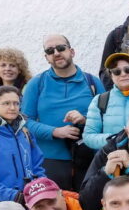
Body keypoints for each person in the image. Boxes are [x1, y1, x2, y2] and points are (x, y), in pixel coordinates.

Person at [21, 34, 103, 190]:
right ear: (46, 57)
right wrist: (55, 132)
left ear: (72, 51)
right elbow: (25, 122)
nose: (56, 53)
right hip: (50, 160)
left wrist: (86, 120)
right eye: (50, 51)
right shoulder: (36, 84)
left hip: (89, 158)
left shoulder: (92, 82)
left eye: (61, 48)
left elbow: (107, 117)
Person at [81, 52, 129, 152]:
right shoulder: (100, 100)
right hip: (109, 162)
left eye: (128, 70)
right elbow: (88, 136)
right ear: (111, 76)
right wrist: (115, 140)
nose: (123, 74)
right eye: (117, 71)